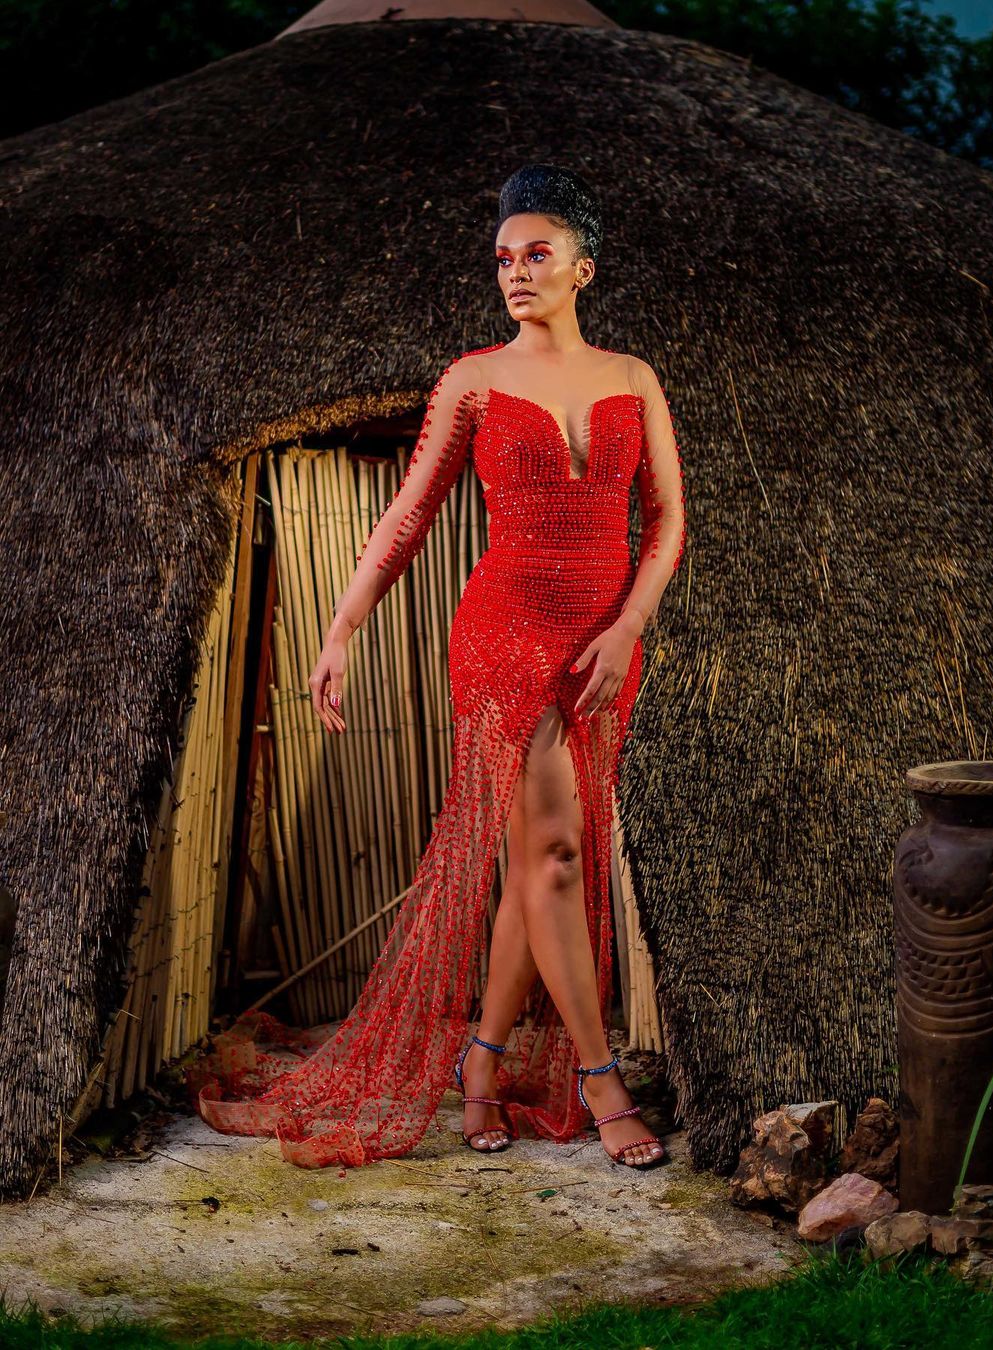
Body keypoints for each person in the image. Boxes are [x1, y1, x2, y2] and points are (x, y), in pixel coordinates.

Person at [193, 163, 686, 1171]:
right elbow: (410, 511)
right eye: (503, 259)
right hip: (505, 633)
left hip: (605, 642)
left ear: (584, 268)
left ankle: (481, 1062)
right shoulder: (474, 380)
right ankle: (600, 1079)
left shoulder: (635, 378)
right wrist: (341, 629)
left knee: (536, 863)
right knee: (557, 855)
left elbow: (668, 520)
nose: (516, 273)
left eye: (537, 254)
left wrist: (630, 625)